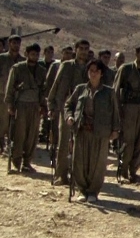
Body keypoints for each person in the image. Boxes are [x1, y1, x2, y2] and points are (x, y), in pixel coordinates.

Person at [64, 60, 120, 202]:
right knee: (79, 162)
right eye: (91, 71)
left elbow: (115, 111)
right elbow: (69, 105)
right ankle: (82, 190)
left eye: (96, 71)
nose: (93, 74)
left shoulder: (109, 92)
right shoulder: (80, 89)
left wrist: (115, 129)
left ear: (101, 73)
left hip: (101, 132)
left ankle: (93, 192)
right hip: (82, 130)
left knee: (98, 163)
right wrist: (69, 117)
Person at [48, 39, 90, 185]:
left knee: (81, 144)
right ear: (76, 50)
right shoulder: (66, 66)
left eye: (86, 49)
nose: (83, 51)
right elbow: (56, 85)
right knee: (64, 142)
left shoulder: (91, 68)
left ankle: (79, 176)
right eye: (81, 48)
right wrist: (51, 105)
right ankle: (61, 174)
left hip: (84, 109)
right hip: (67, 108)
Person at [113, 43, 140, 183]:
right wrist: (118, 111)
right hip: (128, 107)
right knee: (128, 141)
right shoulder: (126, 69)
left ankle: (133, 171)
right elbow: (116, 91)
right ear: (136, 54)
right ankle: (123, 171)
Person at [5, 43, 47, 172]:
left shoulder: (41, 71)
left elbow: (43, 90)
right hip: (21, 104)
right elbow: (10, 87)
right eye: (32, 54)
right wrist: (10, 105)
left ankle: (27, 162)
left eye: (37, 54)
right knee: (20, 134)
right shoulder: (18, 68)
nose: (34, 57)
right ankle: (16, 161)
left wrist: (43, 105)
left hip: (35, 105)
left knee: (32, 135)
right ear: (27, 54)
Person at [0, 35, 25, 153]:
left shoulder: (22, 61)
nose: (16, 45)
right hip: (2, 94)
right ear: (9, 44)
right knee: (3, 121)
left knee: (15, 123)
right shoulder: (2, 58)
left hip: (17, 96)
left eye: (18, 43)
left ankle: (11, 145)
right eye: (14, 43)